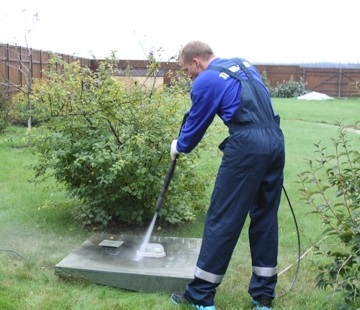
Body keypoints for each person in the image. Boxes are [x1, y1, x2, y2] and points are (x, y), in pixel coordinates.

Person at [169, 41, 285, 310]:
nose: (190, 77)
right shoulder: (242, 64)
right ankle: (263, 296)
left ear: (196, 62)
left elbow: (197, 123)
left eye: (189, 71)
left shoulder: (206, 79)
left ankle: (200, 296)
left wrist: (179, 146)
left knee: (223, 217)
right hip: (275, 141)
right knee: (265, 217)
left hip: (248, 145)